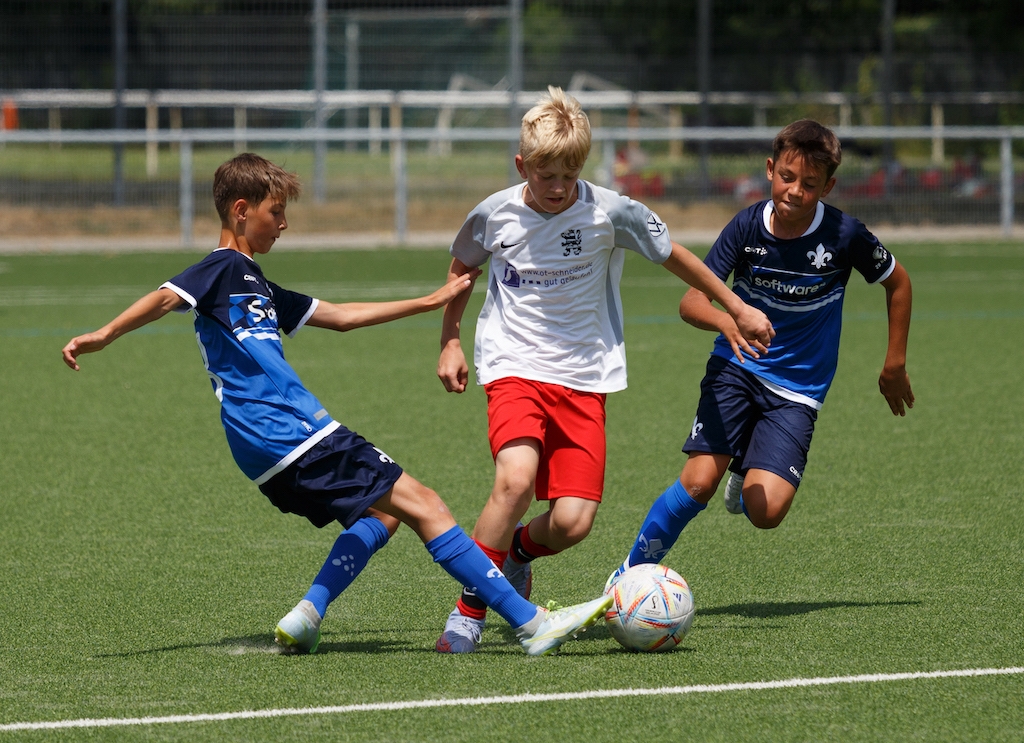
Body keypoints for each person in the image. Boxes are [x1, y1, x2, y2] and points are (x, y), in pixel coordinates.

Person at [61, 152, 612, 657]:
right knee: (426, 505)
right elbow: (165, 297)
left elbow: (342, 317)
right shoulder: (222, 268)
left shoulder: (257, 285)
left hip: (259, 446)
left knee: (383, 514)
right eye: (276, 212)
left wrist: (430, 302)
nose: (283, 223)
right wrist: (104, 334)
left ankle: (307, 614)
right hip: (289, 426)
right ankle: (531, 622)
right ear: (241, 210)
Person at [433, 87, 775, 653]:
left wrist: (735, 307)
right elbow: (461, 271)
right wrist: (450, 340)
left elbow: (677, 257)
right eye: (546, 175)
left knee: (572, 523)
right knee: (515, 480)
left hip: (584, 377)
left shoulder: (610, 211)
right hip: (513, 365)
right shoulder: (493, 214)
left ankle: (514, 554)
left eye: (569, 175)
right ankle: (467, 613)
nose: (558, 186)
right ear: (522, 166)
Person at [608, 119, 915, 583]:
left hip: (798, 389)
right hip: (736, 367)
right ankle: (628, 574)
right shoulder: (747, 226)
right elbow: (691, 303)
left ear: (828, 187)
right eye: (787, 177)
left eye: (809, 183)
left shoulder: (844, 234)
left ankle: (745, 464)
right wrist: (728, 321)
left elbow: (899, 282)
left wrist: (894, 363)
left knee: (766, 511)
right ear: (770, 170)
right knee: (698, 483)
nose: (795, 191)